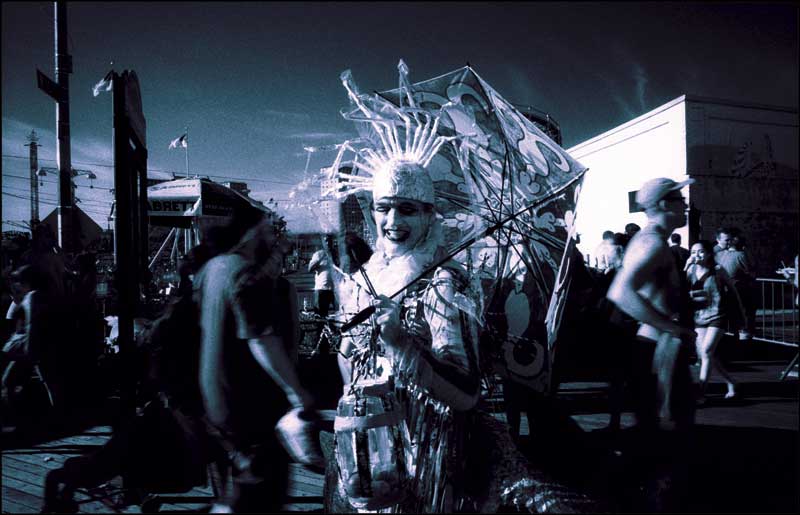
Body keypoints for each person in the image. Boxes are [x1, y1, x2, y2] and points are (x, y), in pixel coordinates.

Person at [195, 210, 321, 513]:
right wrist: (295, 391)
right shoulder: (246, 274)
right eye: (267, 231)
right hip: (250, 405)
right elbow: (260, 339)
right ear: (251, 234)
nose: (272, 238)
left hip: (214, 399)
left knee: (233, 487)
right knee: (259, 491)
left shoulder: (212, 268)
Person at [607, 177, 696, 511]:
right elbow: (620, 291)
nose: (685, 203)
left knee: (661, 443)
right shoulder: (652, 244)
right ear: (662, 204)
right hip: (658, 357)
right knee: (666, 446)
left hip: (660, 353)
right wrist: (671, 327)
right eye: (679, 198)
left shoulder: (652, 241)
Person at [686, 240, 744, 401]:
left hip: (718, 315)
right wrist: (685, 266)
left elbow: (733, 292)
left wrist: (741, 317)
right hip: (699, 316)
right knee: (706, 355)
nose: (696, 255)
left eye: (700, 251)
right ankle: (731, 382)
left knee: (705, 352)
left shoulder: (718, 270)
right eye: (693, 252)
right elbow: (680, 289)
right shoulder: (691, 270)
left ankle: (701, 392)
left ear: (709, 253)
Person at [308, 240, 335, 316]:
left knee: (341, 315)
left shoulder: (336, 253)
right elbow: (310, 269)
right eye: (326, 241)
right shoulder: (318, 254)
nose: (328, 243)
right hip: (322, 290)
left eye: (329, 240)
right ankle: (321, 327)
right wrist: (320, 258)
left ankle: (334, 328)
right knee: (321, 316)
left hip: (335, 290)